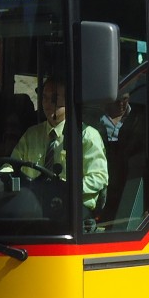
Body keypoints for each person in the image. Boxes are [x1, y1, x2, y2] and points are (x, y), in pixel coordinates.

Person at [10, 77, 108, 213]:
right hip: (33, 205)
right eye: (44, 97)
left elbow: (99, 177)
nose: (47, 103)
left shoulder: (86, 135)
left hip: (73, 210)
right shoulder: (31, 134)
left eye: (54, 98)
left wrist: (68, 189)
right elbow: (12, 165)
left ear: (69, 100)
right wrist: (4, 176)